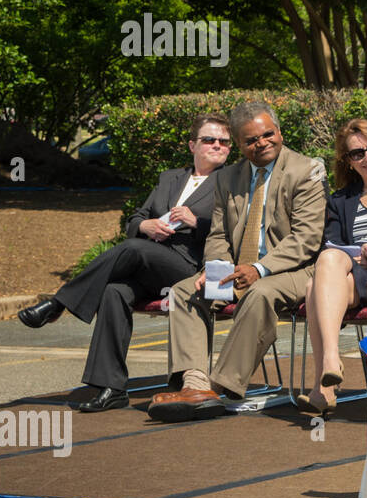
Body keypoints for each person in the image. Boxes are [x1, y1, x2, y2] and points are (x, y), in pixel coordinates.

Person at [16, 114, 232, 412]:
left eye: (224, 142)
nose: (218, 146)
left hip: (191, 268)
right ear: (192, 145)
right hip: (150, 264)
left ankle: (59, 303)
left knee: (132, 249)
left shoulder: (231, 180)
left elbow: (237, 229)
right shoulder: (171, 178)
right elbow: (137, 218)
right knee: (114, 291)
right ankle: (111, 386)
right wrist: (147, 227)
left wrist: (198, 222)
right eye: (210, 140)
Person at [148, 101, 327, 422]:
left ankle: (219, 386)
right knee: (184, 291)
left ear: (279, 132)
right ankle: (194, 383)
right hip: (237, 269)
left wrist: (259, 269)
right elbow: (218, 234)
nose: (261, 143)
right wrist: (215, 268)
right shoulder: (227, 177)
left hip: (295, 270)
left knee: (261, 293)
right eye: (251, 140)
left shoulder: (306, 170)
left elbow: (307, 239)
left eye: (267, 134)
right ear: (240, 146)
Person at [295, 118, 367, 416]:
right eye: (357, 154)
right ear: (348, 161)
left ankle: (324, 382)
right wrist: (358, 254)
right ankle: (330, 366)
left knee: (314, 285)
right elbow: (334, 242)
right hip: (350, 273)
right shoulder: (340, 200)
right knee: (327, 263)